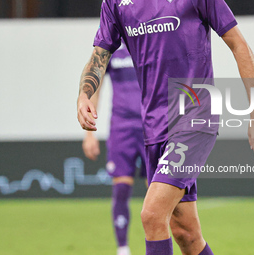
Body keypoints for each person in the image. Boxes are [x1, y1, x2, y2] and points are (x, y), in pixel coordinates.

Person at [77, 0, 254, 254]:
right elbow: (99, 55)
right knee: (187, 235)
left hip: (195, 116)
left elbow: (239, 44)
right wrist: (84, 94)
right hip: (154, 128)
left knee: (152, 214)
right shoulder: (115, 3)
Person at [82, 42, 146, 255]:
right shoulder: (110, 50)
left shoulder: (149, 42)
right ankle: (123, 249)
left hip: (151, 126)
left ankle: (158, 245)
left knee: (158, 191)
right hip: (121, 128)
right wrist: (90, 133)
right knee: (121, 188)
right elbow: (95, 88)